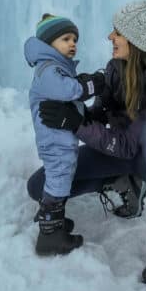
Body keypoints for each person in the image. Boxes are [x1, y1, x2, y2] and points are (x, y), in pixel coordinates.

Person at [26, 0, 146, 284]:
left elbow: (130, 146)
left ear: (137, 41)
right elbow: (101, 114)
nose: (110, 36)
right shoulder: (117, 67)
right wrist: (72, 111)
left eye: (118, 32)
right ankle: (124, 182)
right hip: (121, 150)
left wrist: (74, 125)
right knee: (40, 187)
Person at [24, 14, 105, 256]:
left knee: (61, 178)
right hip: (55, 140)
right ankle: (50, 234)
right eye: (65, 38)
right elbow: (66, 91)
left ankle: (53, 220)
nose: (72, 44)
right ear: (49, 43)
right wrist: (89, 85)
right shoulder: (48, 69)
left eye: (75, 40)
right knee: (59, 180)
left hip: (60, 138)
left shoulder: (54, 68)